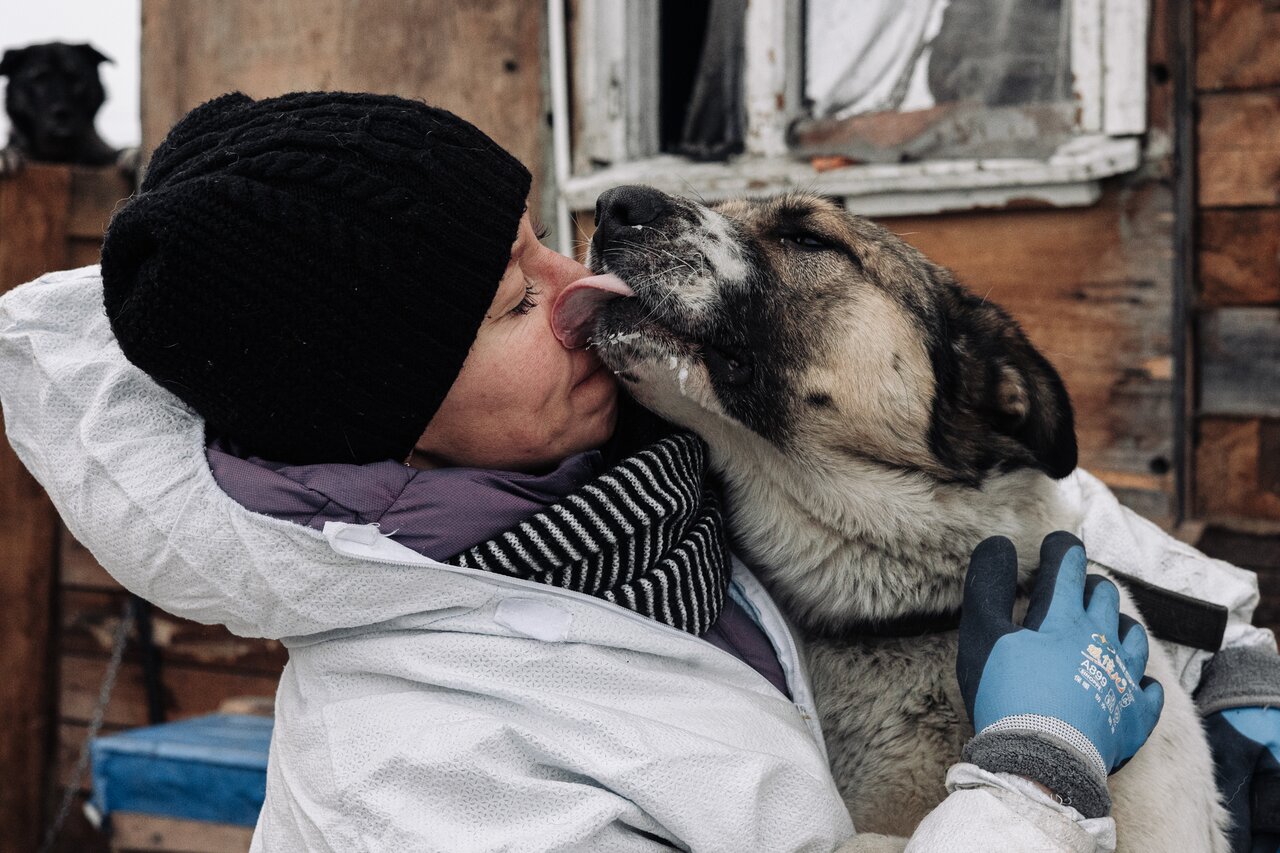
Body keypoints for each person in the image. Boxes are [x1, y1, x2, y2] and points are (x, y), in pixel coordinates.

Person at [0, 91, 1273, 852]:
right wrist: (1037, 764)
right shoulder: (415, 775)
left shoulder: (636, 444)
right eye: (512, 303)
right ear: (386, 427)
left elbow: (997, 489)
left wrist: (1242, 658)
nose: (580, 287)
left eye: (541, 244)